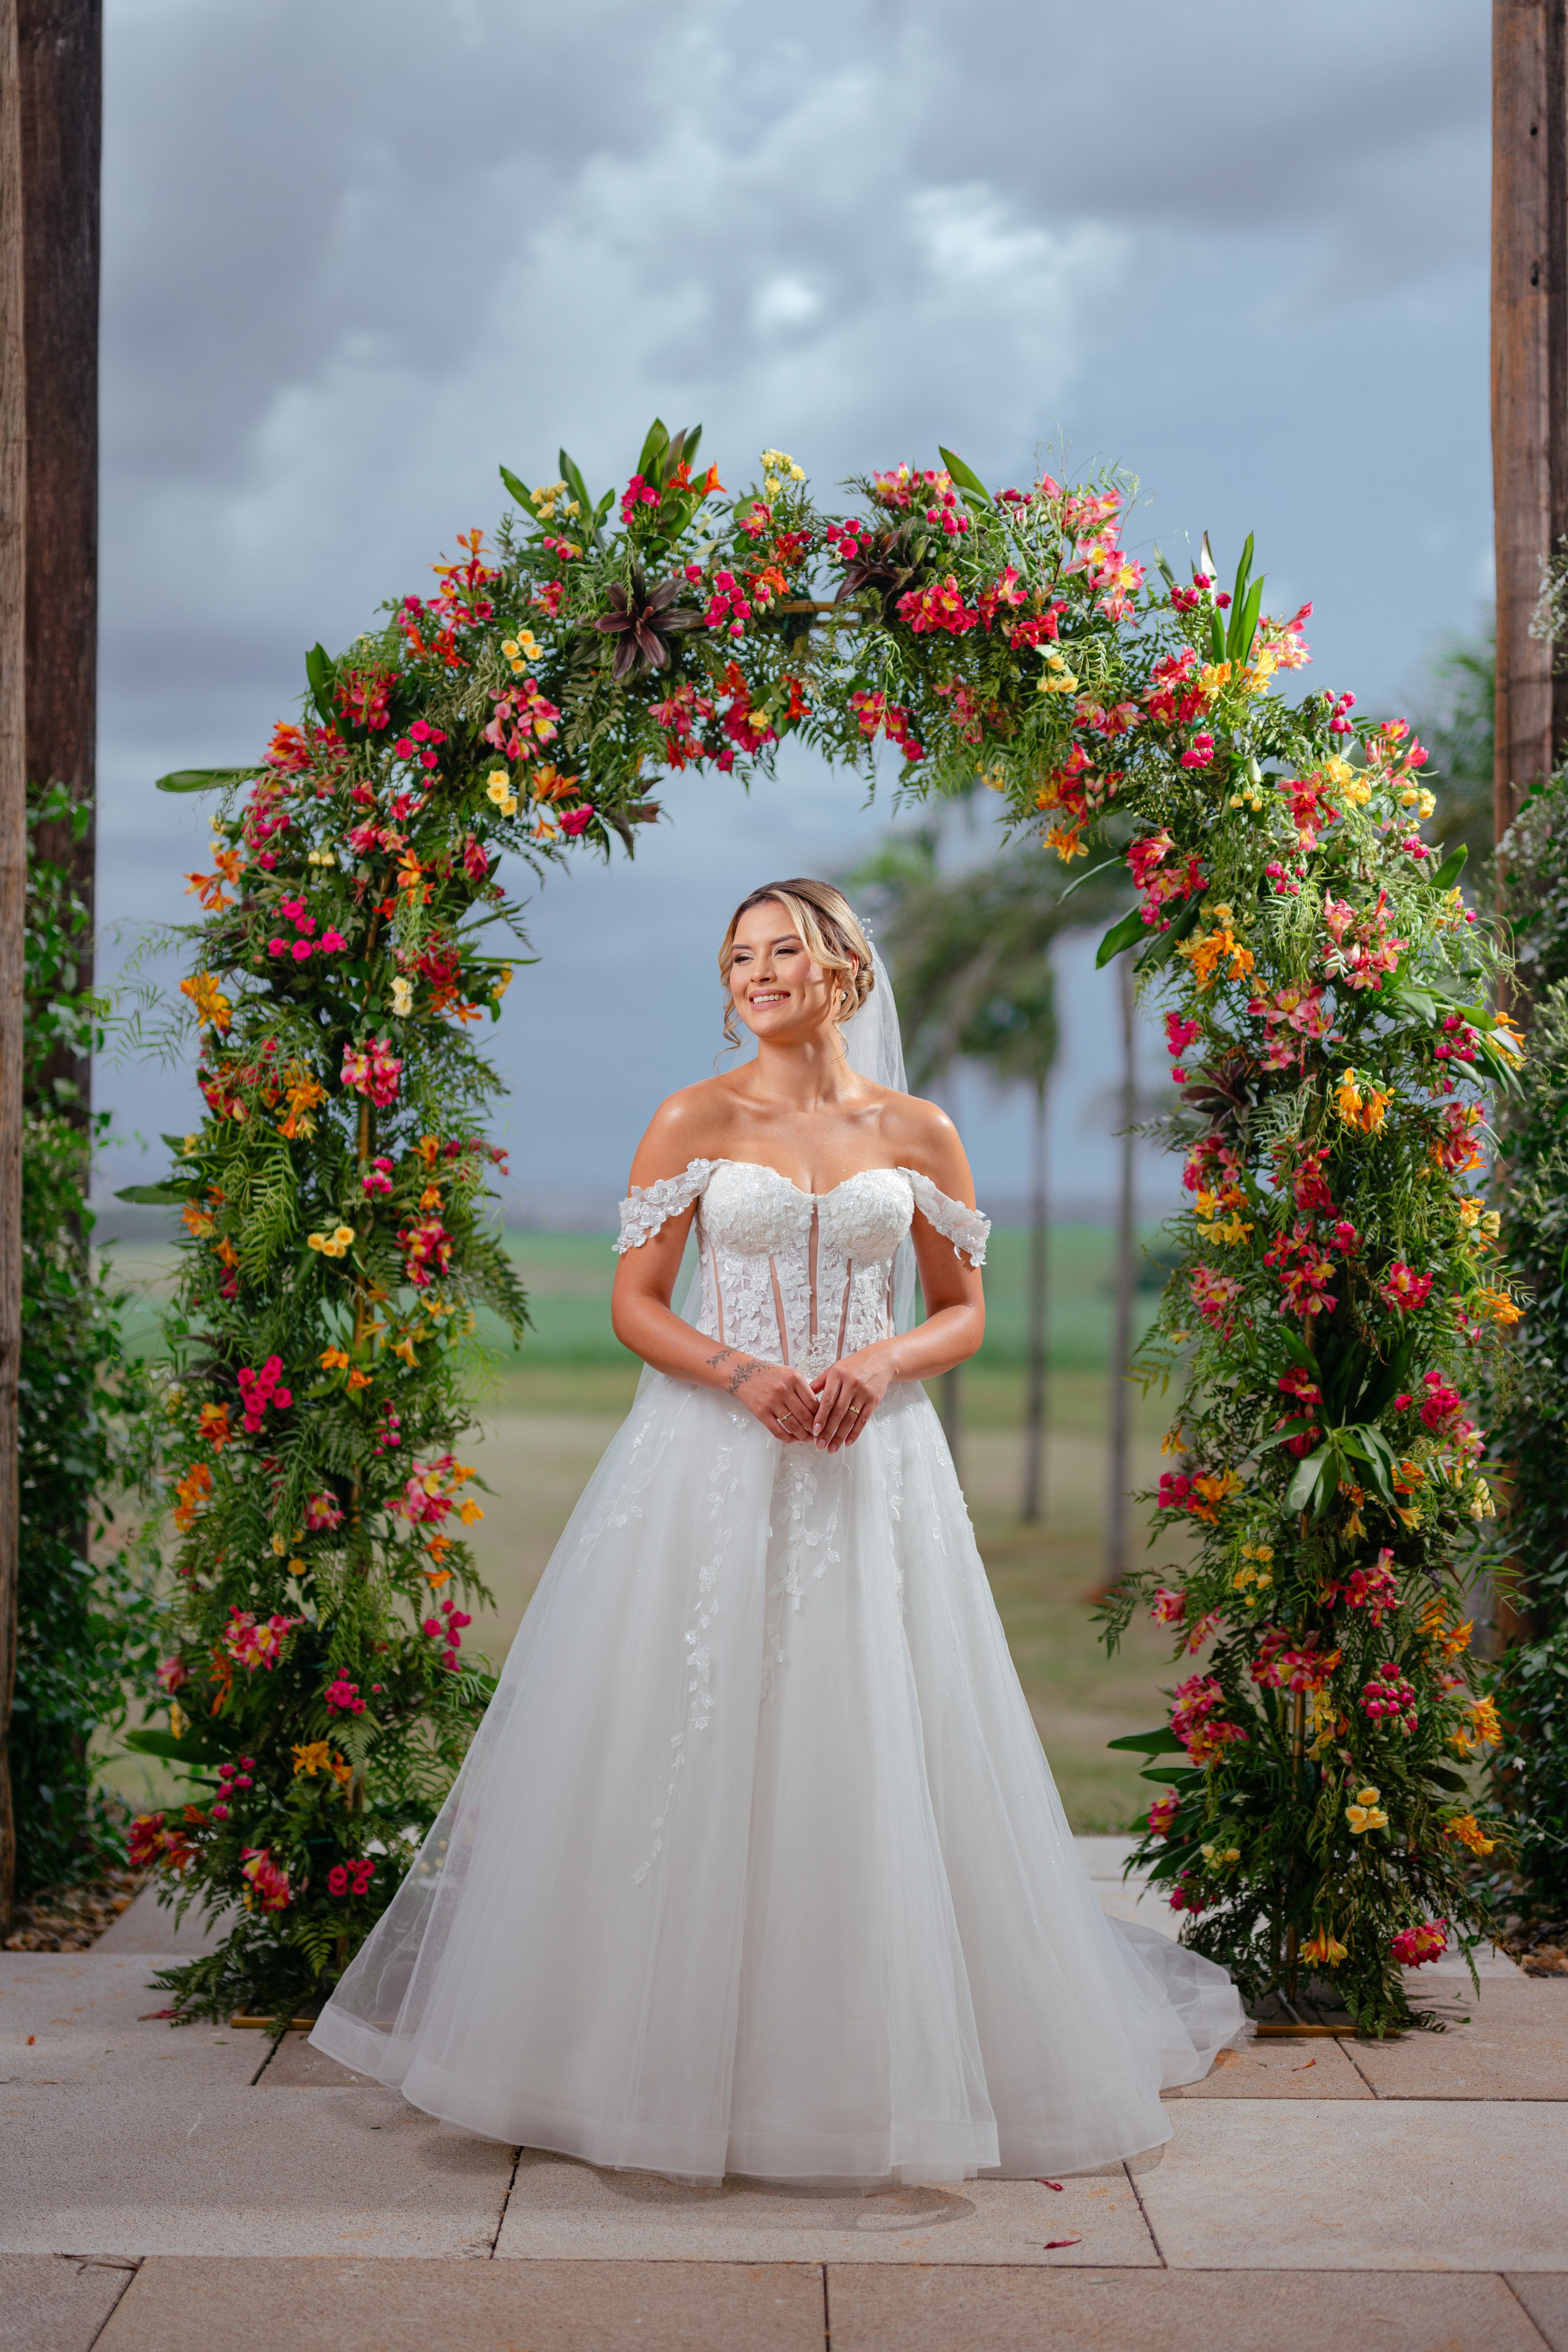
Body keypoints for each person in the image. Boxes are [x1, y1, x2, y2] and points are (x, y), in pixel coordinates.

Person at [311, 877, 1243, 2184]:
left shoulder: (915, 1130)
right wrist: (739, 1374)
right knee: (684, 1728)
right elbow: (637, 1303)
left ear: (843, 974)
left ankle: (871, 2064)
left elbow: (960, 1309)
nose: (757, 973)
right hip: (706, 1458)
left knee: (867, 1734)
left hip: (873, 1468)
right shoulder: (692, 1117)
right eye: (739, 954)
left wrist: (879, 1365)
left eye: (784, 952)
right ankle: (617, 2054)